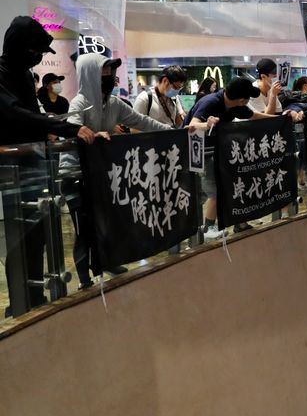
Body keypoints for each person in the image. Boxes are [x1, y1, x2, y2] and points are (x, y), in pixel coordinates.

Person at [0, 16, 102, 314]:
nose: (38, 58)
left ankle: (37, 295)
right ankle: (20, 303)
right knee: (21, 236)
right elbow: (16, 114)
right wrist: (69, 128)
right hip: (13, 169)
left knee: (41, 233)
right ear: (21, 46)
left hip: (36, 162)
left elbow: (29, 115)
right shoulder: (3, 74)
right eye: (35, 50)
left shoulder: (20, 74)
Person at [64, 53, 172, 288]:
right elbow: (71, 130)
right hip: (75, 176)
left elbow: (141, 121)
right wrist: (90, 134)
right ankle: (84, 278)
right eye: (104, 72)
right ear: (90, 74)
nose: (110, 77)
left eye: (111, 72)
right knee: (83, 229)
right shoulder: (79, 102)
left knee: (107, 220)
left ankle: (107, 261)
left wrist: (173, 131)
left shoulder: (113, 104)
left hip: (100, 174)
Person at [183, 76, 277, 240]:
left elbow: (254, 116)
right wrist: (207, 125)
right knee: (215, 191)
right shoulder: (210, 102)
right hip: (199, 154)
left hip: (218, 151)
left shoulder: (234, 105)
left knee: (230, 185)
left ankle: (239, 223)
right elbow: (190, 126)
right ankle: (208, 229)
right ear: (242, 99)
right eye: (247, 98)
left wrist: (280, 119)